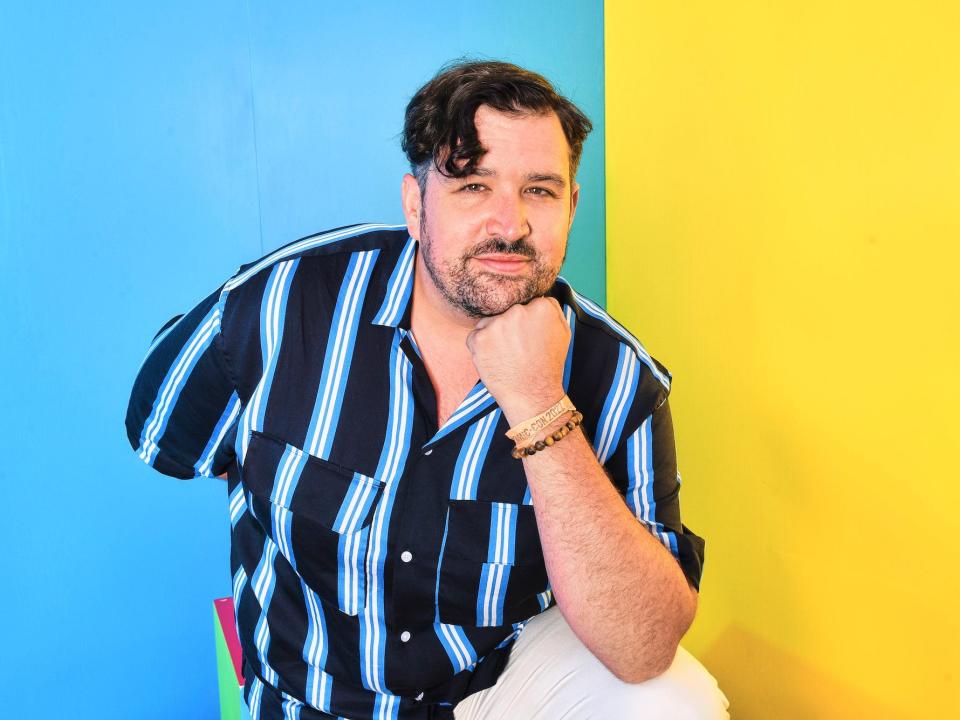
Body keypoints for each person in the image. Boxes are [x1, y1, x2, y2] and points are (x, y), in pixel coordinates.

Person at [125, 60, 729, 720]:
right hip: (308, 697)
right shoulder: (281, 306)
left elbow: (642, 648)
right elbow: (163, 435)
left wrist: (539, 406)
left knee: (672, 701)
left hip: (488, 690)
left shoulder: (619, 379)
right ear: (416, 205)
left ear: (572, 206)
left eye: (540, 191)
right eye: (473, 185)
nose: (510, 225)